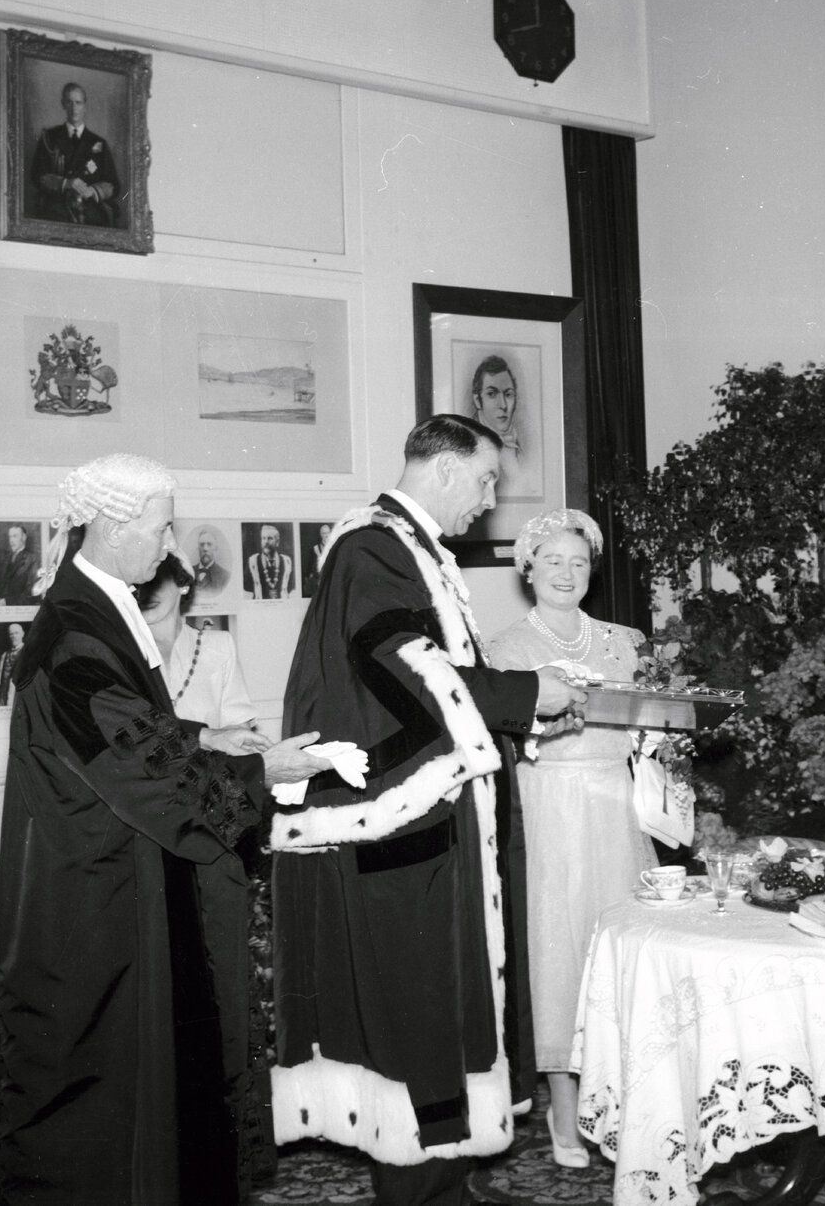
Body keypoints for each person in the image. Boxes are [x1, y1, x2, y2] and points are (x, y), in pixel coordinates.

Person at [0, 452, 331, 1206]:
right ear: (112, 527)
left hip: (115, 872)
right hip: (101, 897)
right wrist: (259, 775)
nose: (170, 544)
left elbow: (123, 725)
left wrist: (206, 741)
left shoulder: (93, 605)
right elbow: (130, 759)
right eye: (158, 526)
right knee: (104, 1095)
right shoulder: (78, 630)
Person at [270, 415, 587, 1206]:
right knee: (416, 1014)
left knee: (444, 1008)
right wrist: (525, 694)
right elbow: (404, 665)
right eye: (484, 481)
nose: (488, 501)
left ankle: (448, 1182)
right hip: (402, 825)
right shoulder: (373, 546)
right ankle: (423, 1193)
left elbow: (430, 675)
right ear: (444, 470)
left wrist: (527, 710)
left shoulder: (403, 547)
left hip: (431, 820)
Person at [487, 508, 657, 1167]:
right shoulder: (503, 649)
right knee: (557, 949)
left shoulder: (627, 641)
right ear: (527, 568)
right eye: (551, 560)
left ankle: (624, 1092)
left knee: (617, 945)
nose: (565, 572)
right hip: (549, 807)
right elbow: (503, 741)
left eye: (578, 561)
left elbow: (654, 728)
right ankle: (564, 1101)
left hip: (617, 806)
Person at [135, 553, 259, 730]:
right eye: (139, 584)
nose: (148, 591)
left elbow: (238, 730)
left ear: (182, 584)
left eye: (157, 579)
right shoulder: (121, 651)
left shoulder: (219, 647)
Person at [29, 81, 121, 226]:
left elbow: (113, 184)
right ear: (63, 104)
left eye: (78, 103)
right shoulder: (49, 137)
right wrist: (66, 183)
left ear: (85, 106)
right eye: (69, 102)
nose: (74, 108)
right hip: (57, 207)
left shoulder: (98, 143)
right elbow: (37, 175)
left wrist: (93, 191)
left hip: (90, 208)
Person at [469, 355, 523, 494]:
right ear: (477, 400)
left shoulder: (519, 447)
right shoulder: (469, 448)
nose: (503, 405)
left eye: (508, 394)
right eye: (492, 394)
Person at [0, 524, 40, 606]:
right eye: (10, 537)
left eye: (15, 536)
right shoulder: (5, 558)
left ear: (23, 538)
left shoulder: (32, 560)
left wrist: (6, 602)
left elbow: (32, 593)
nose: (11, 540)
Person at [245, 524, 294, 599]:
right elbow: (247, 590)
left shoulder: (287, 562)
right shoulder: (253, 561)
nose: (266, 542)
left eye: (270, 538)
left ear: (277, 542)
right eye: (263, 538)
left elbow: (291, 589)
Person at [0, 622, 26, 706]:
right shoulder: (4, 655)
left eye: (16, 633)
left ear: (23, 634)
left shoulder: (28, 652)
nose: (14, 636)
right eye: (11, 634)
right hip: (3, 695)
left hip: (20, 695)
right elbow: (0, 679)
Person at [192, 526, 231, 596]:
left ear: (215, 548)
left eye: (209, 544)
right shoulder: (189, 572)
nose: (205, 549)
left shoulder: (225, 576)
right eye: (202, 544)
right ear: (198, 548)